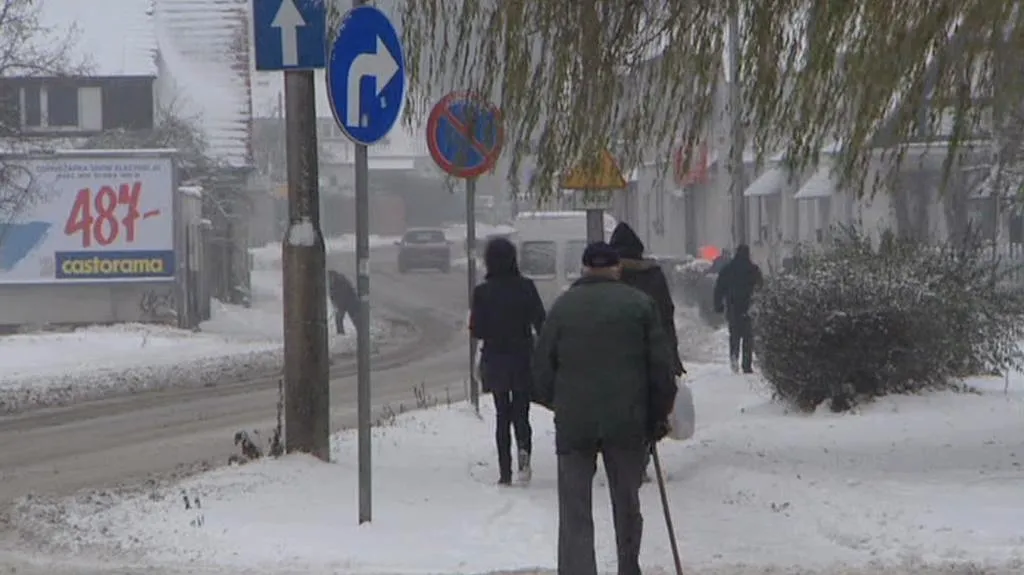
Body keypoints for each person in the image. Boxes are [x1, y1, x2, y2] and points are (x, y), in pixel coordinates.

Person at [532, 242, 677, 575]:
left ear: (584, 269)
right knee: (626, 502)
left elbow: (540, 369)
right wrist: (657, 415)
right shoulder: (640, 305)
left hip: (575, 423)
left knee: (575, 508)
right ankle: (628, 566)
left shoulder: (563, 307)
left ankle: (578, 570)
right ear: (617, 269)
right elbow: (660, 368)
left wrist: (560, 402)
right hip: (627, 421)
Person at [608, 222, 686, 483]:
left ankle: (622, 457)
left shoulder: (610, 275)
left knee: (619, 405)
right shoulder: (653, 275)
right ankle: (641, 455)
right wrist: (671, 356)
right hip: (649, 352)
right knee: (647, 405)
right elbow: (666, 314)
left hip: (617, 354)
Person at [469, 237, 546, 485]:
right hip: (523, 355)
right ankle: (524, 453)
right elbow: (540, 321)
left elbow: (477, 330)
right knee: (521, 412)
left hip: (496, 357)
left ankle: (505, 472)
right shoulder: (526, 287)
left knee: (502, 414)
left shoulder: (482, 292)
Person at [713, 244, 763, 374]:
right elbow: (760, 288)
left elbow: (719, 288)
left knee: (734, 334)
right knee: (748, 336)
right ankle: (746, 364)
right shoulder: (753, 269)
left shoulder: (728, 269)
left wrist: (718, 304)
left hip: (733, 306)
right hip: (748, 307)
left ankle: (734, 357)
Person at [327, 269, 357, 335]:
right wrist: (334, 304)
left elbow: (344, 295)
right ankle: (340, 333)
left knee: (354, 318)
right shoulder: (332, 284)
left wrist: (339, 306)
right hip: (341, 303)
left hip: (350, 301)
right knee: (338, 319)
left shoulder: (342, 282)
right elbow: (332, 295)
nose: (330, 279)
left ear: (335, 276)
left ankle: (361, 332)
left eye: (331, 277)